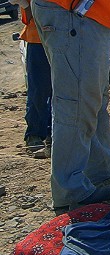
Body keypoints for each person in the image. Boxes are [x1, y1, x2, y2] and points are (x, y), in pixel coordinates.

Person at [32, 0, 110, 210]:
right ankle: (70, 188)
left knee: (94, 95)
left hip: (88, 13)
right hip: (74, 12)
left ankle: (100, 166)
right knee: (77, 101)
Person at [10, 0, 51, 159]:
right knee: (39, 90)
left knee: (60, 90)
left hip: (64, 37)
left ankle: (53, 133)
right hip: (37, 37)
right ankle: (35, 133)